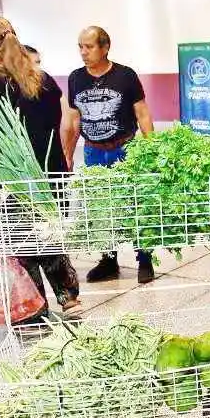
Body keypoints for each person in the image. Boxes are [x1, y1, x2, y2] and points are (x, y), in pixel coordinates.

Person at [0, 16, 83, 318]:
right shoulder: (43, 78)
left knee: (22, 243)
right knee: (49, 233)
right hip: (52, 176)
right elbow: (68, 121)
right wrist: (64, 158)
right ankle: (69, 297)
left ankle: (34, 308)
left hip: (10, 181)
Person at [62, 26, 156, 284]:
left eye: (89, 47)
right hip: (93, 151)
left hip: (124, 148)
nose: (83, 52)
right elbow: (73, 119)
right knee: (102, 209)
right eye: (80, 46)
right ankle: (109, 260)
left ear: (105, 47)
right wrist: (68, 154)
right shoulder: (75, 78)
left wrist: (153, 150)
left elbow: (142, 114)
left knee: (134, 204)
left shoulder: (125, 76)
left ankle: (144, 258)